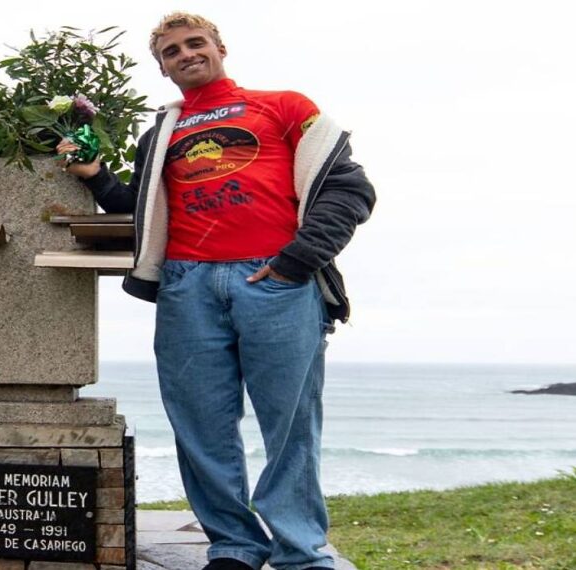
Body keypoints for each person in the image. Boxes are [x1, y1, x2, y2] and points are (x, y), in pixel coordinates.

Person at [58, 13, 375, 570]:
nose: (185, 54)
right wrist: (95, 177)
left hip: (275, 282)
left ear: (219, 47)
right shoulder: (161, 134)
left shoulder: (285, 106)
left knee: (291, 422)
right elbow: (142, 209)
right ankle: (234, 546)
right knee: (199, 423)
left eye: (195, 43)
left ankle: (301, 552)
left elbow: (350, 188)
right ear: (162, 67)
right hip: (186, 285)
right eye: (172, 51)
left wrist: (298, 261)